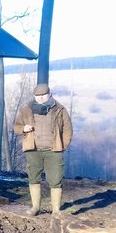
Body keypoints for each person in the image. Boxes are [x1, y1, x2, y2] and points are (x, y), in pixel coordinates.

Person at [14, 83, 73, 216]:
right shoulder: (27, 110)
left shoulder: (59, 109)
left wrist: (62, 145)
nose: (40, 98)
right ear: (34, 96)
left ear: (49, 94)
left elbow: (68, 129)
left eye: (43, 95)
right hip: (33, 149)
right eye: (37, 95)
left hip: (54, 150)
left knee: (56, 179)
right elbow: (17, 126)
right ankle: (35, 208)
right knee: (33, 178)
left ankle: (56, 210)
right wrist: (23, 129)